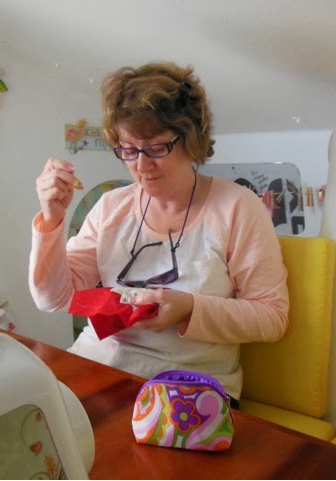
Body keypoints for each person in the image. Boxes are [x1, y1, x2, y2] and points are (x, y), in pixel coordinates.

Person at [29, 61, 289, 404]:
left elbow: (272, 317)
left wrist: (189, 308)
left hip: (190, 386)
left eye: (156, 148)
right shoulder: (111, 207)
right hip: (100, 366)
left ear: (191, 140)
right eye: (128, 150)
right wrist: (51, 220)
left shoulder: (238, 207)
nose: (141, 166)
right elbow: (54, 299)